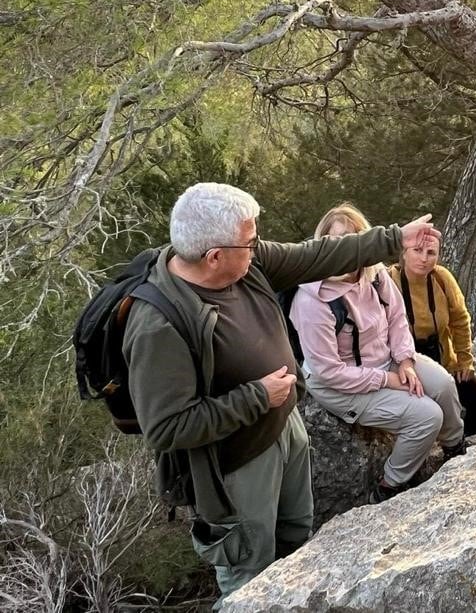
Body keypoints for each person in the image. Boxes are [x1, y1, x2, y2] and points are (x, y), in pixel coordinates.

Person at [122, 183, 440, 606]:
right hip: (235, 464)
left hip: (284, 430)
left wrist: (393, 238)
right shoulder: (159, 324)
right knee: (249, 571)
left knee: (296, 537)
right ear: (214, 255)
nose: (258, 247)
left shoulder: (245, 263)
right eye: (250, 241)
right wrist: (257, 397)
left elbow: (317, 255)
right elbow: (166, 428)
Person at [289, 203, 465, 504]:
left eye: (353, 240)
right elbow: (328, 371)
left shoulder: (374, 274)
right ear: (323, 245)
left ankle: (453, 446)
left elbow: (396, 317)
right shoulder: (312, 300)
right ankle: (390, 485)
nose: (346, 251)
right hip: (341, 384)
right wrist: (388, 380)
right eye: (336, 242)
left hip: (387, 359)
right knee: (426, 417)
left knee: (444, 385)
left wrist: (406, 362)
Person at [389, 239, 476, 436]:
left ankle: (464, 449)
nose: (424, 258)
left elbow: (460, 320)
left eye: (431, 252)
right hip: (405, 367)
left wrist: (464, 359)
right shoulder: (389, 281)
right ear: (403, 253)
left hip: (444, 360)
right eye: (417, 250)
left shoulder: (441, 278)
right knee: (430, 414)